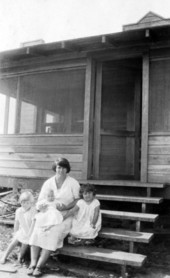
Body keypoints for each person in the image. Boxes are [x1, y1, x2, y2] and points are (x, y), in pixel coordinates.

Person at [27, 157, 80, 277]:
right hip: (48, 213)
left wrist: (66, 207)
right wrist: (43, 207)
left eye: (63, 167)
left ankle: (40, 266)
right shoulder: (48, 182)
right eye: (58, 167)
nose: (60, 170)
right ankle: (32, 263)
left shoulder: (73, 183)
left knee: (53, 231)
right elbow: (40, 200)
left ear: (67, 169)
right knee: (37, 229)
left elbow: (77, 200)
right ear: (55, 169)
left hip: (65, 214)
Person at [0, 191, 36, 265]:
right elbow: (17, 222)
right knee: (14, 241)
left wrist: (30, 234)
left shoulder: (33, 210)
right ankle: (5, 256)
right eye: (23, 203)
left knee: (24, 244)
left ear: (31, 203)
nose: (25, 205)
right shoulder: (19, 211)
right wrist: (15, 232)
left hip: (31, 231)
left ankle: (20, 258)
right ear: (20, 202)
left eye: (27, 203)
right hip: (22, 230)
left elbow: (33, 223)